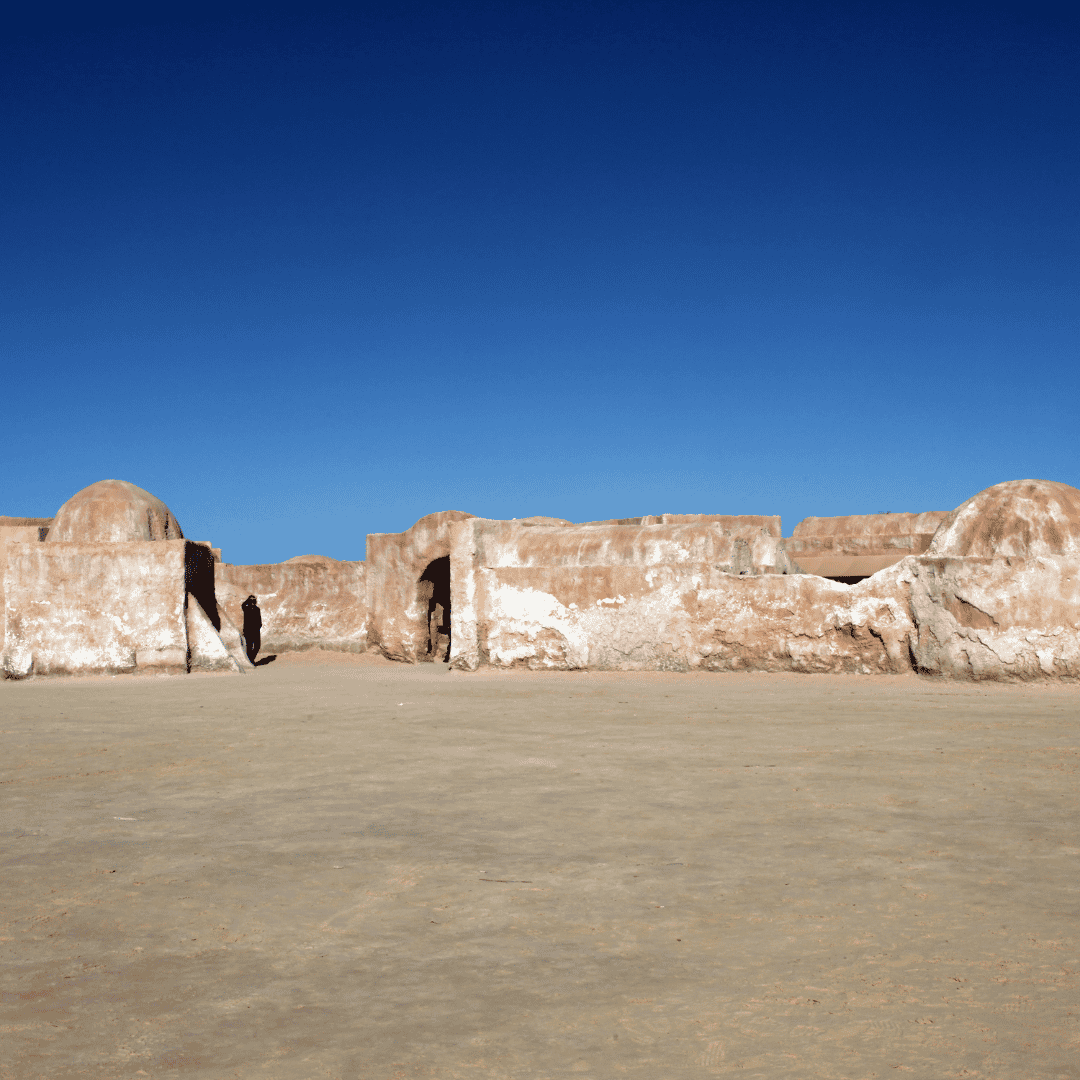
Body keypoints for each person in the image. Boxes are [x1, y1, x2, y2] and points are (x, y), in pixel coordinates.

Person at [241, 595, 262, 665]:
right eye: (251, 600)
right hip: (248, 631)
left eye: (254, 600)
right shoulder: (246, 608)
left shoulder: (257, 609)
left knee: (257, 646)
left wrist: (259, 626)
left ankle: (251, 659)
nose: (253, 601)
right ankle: (250, 661)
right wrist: (248, 599)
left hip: (256, 631)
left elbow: (259, 619)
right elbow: (243, 605)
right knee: (249, 646)